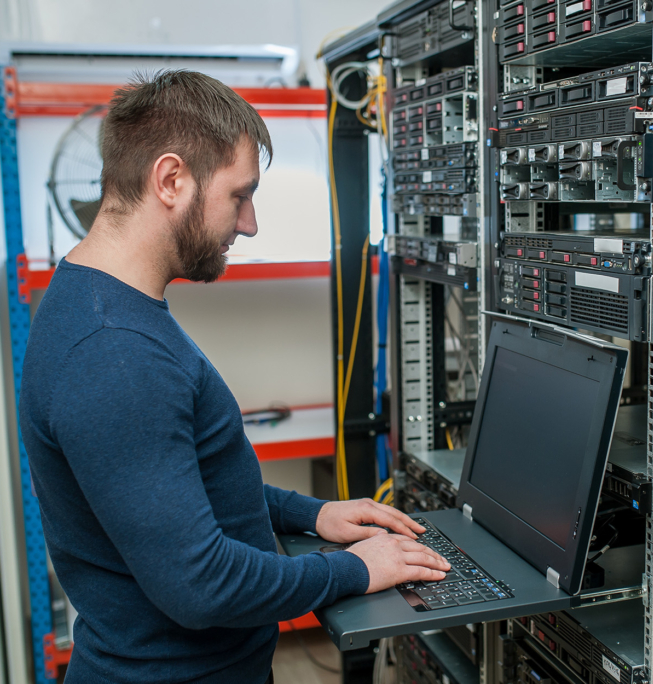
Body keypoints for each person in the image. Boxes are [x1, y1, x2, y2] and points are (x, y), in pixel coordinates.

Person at [20, 70, 450, 684]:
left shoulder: (101, 307)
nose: (249, 224)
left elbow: (182, 489)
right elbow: (201, 585)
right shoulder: (114, 352)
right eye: (239, 195)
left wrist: (310, 514)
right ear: (171, 180)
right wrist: (355, 570)